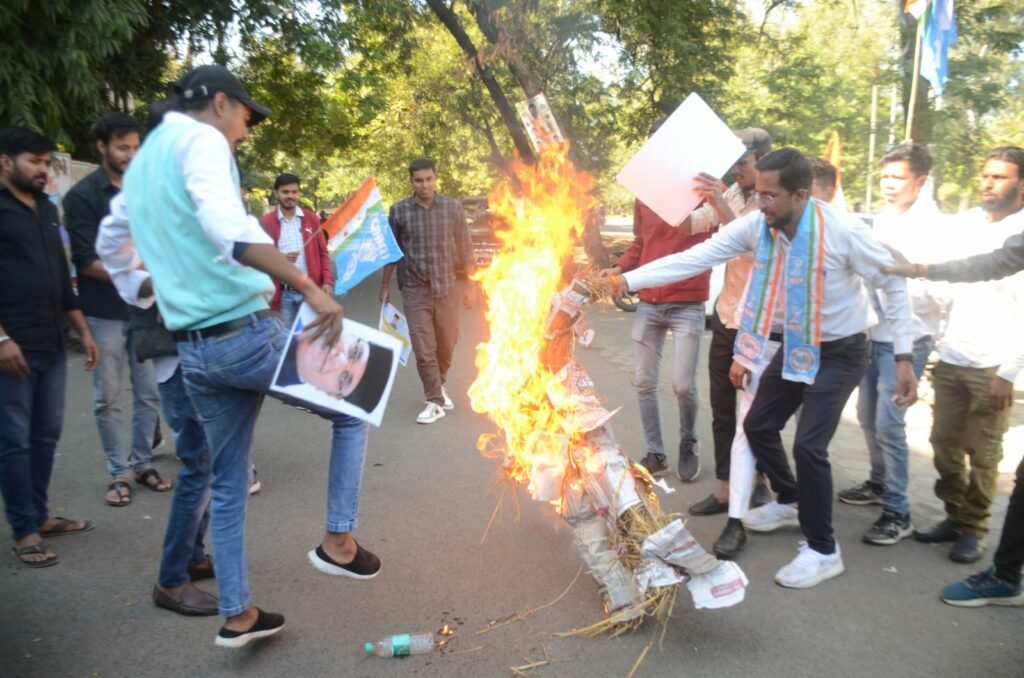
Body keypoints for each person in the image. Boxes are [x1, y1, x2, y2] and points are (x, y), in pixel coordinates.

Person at [103, 64, 380, 647]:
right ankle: (338, 541)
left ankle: (239, 614)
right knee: (357, 404)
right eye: (246, 118)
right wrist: (307, 287)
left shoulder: (147, 159)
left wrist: (149, 290)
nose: (246, 133)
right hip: (244, 334)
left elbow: (111, 242)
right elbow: (229, 229)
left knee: (226, 482)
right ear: (221, 103)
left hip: (195, 351)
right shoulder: (199, 138)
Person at [600, 148, 917, 588]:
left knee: (809, 445)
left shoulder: (843, 232)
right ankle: (790, 498)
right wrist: (624, 280)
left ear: (801, 194)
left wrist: (903, 355)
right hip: (794, 345)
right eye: (759, 194)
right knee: (758, 427)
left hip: (842, 350)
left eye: (770, 196)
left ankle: (824, 550)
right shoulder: (758, 225)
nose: (760, 203)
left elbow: (893, 282)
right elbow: (695, 258)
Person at [885, 157, 1024, 605]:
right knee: (944, 445)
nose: (987, 182)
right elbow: (956, 274)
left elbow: (992, 266)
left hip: (994, 365)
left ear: (1021, 185)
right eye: (984, 174)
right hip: (954, 353)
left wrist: (1009, 371)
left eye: (1000, 177)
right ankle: (953, 515)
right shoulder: (966, 223)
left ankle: (974, 530)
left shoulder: (1020, 232)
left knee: (983, 454)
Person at [835, 143, 950, 546]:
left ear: (920, 181)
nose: (888, 184)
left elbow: (943, 293)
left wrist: (905, 275)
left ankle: (898, 511)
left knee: (889, 423)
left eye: (898, 177)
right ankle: (879, 482)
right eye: (884, 176)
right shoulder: (880, 222)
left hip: (908, 341)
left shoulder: (937, 228)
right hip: (872, 336)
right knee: (868, 418)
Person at [0, 127, 100, 568]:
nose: (43, 170)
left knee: (44, 437)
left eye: (45, 162)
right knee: (14, 442)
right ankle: (24, 530)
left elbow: (62, 279)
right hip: (10, 348)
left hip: (51, 342)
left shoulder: (44, 208)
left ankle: (38, 516)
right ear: (6, 162)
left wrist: (84, 331)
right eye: (34, 161)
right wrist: (2, 338)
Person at [599, 117, 716, 480]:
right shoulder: (644, 195)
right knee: (645, 381)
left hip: (687, 302)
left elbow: (726, 233)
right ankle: (656, 453)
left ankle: (689, 441)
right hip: (649, 300)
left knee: (682, 385)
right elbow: (640, 243)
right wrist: (618, 268)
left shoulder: (706, 190)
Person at [677, 128, 775, 553]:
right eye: (732, 163)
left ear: (764, 160)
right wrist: (674, 190)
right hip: (726, 316)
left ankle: (764, 485)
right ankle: (725, 488)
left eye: (743, 163)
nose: (737, 170)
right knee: (721, 409)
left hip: (762, 323)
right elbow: (688, 226)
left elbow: (759, 249)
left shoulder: (774, 200)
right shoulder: (733, 193)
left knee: (756, 417)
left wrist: (719, 205)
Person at [64, 112, 169, 507]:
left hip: (146, 310)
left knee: (148, 394)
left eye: (136, 147)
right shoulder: (82, 197)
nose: (130, 155)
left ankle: (142, 464)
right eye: (122, 147)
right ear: (102, 147)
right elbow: (87, 261)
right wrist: (143, 276)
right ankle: (119, 473)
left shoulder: (147, 190)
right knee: (108, 397)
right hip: (104, 313)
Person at [380, 158, 475, 424]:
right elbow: (391, 250)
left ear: (435, 179)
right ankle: (433, 399)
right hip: (414, 287)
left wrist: (471, 285)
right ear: (411, 181)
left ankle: (438, 385)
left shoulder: (452, 208)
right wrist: (385, 284)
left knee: (447, 341)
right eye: (418, 180)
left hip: (446, 287)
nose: (424, 185)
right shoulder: (399, 211)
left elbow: (465, 246)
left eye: (428, 179)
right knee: (424, 347)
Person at [260, 173, 333, 329]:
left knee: (313, 335)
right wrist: (281, 261)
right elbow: (261, 260)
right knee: (289, 340)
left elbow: (323, 253)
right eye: (285, 192)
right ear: (276, 193)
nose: (290, 196)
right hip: (284, 293)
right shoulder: (266, 222)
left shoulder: (311, 219)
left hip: (311, 290)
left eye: (294, 192)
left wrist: (327, 281)